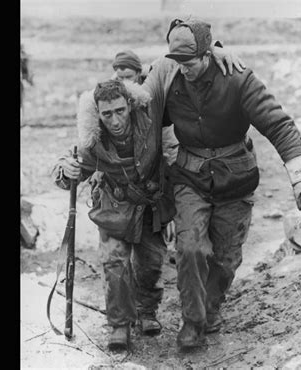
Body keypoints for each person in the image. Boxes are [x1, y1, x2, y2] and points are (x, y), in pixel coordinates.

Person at [52, 47, 243, 352]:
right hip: (114, 209)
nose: (114, 120)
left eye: (119, 111)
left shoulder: (150, 121)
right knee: (115, 262)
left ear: (129, 105)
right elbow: (71, 169)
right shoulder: (94, 139)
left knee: (151, 265)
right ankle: (119, 325)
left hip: (150, 207)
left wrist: (216, 50)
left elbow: (174, 61)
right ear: (98, 115)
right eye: (106, 114)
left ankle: (147, 311)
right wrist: (66, 170)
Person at [138, 17, 301, 349]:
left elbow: (280, 126)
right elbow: (142, 110)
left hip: (236, 180)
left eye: (191, 61)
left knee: (226, 257)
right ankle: (193, 321)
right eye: (178, 62)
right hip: (190, 177)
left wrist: (300, 178)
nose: (185, 69)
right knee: (189, 249)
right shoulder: (170, 77)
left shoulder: (238, 79)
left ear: (208, 54)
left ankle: (212, 307)